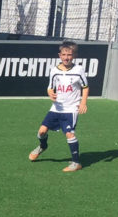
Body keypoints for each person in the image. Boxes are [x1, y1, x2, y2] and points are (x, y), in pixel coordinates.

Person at [29, 40, 89, 172]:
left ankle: (76, 162)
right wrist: (50, 93)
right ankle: (42, 146)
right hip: (56, 108)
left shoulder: (79, 70)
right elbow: (50, 88)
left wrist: (83, 103)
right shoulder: (54, 71)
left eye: (69, 55)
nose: (67, 57)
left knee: (69, 134)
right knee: (42, 132)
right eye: (64, 54)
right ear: (59, 55)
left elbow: (85, 87)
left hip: (71, 109)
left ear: (74, 56)